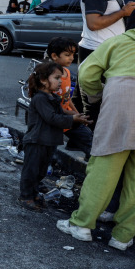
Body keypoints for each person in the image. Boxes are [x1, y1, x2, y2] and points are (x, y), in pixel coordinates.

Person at [57, 26, 135, 249]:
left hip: (122, 102)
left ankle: (82, 225)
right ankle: (123, 236)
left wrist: (95, 97)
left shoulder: (118, 42)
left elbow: (88, 70)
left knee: (103, 167)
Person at [18, 62, 89, 211]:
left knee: (41, 171)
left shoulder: (52, 97)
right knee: (31, 171)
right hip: (36, 141)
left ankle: (34, 193)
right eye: (57, 78)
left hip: (48, 142)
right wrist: (73, 119)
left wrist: (76, 115)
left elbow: (61, 112)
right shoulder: (40, 98)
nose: (60, 81)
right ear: (44, 80)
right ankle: (25, 196)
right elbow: (52, 118)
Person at [78, 0, 135, 123]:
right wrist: (123, 12)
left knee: (101, 107)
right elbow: (93, 23)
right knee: (99, 108)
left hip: (106, 53)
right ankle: (94, 146)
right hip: (97, 53)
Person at [46, 37, 93, 156]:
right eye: (67, 54)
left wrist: (77, 113)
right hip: (54, 120)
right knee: (47, 152)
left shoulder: (66, 72)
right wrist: (74, 116)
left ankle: (93, 165)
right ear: (55, 56)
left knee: (88, 139)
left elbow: (67, 98)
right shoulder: (49, 76)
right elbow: (49, 105)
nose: (71, 58)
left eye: (73, 54)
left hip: (68, 118)